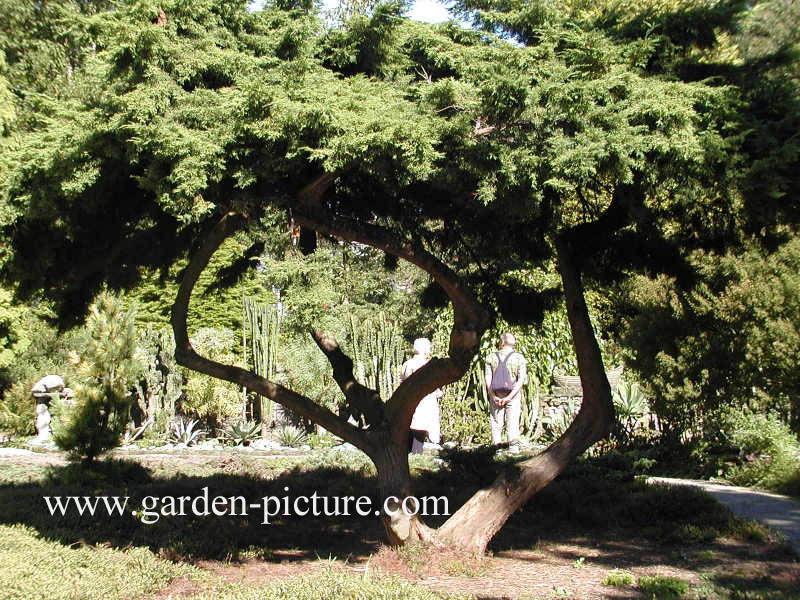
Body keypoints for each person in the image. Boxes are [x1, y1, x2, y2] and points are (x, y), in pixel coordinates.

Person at [485, 333, 527, 453]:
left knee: (496, 422)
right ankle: (513, 449)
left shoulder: (491, 357)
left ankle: (496, 449)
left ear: (501, 343)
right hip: (513, 395)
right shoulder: (519, 358)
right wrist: (509, 397)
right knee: (513, 422)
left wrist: (493, 395)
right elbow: (521, 380)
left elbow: (488, 377)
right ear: (513, 343)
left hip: (496, 394)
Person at [400, 338, 442, 454]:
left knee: (412, 426)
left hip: (410, 400)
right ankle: (416, 453)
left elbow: (403, 382)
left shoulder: (407, 364)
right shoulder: (428, 365)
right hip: (424, 401)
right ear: (424, 349)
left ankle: (409, 454)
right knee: (420, 427)